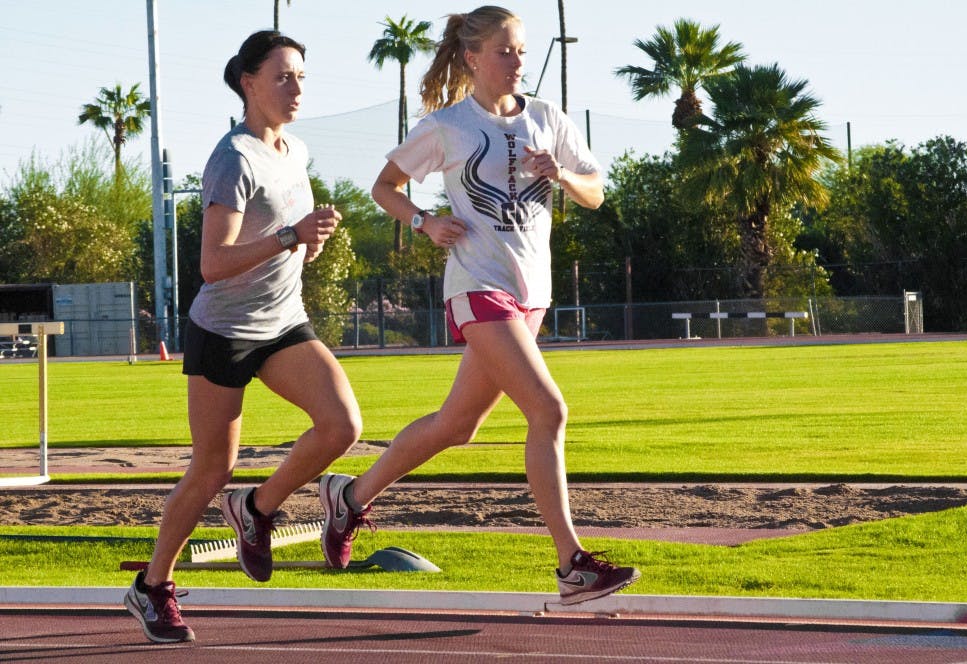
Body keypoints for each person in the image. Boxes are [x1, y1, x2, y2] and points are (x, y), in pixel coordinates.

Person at [318, 5, 639, 605]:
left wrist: (563, 177)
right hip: (476, 284)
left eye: (520, 50)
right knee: (549, 411)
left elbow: (595, 191)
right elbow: (383, 187)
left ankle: (350, 497)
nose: (517, 60)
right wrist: (423, 221)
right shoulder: (448, 126)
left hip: (531, 293)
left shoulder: (547, 118)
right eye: (505, 50)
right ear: (472, 58)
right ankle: (572, 563)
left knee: (456, 426)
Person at [125, 30, 363, 644]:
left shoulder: (293, 150)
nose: (296, 89)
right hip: (223, 331)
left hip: (282, 321)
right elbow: (213, 262)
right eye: (283, 77)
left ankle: (256, 510)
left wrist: (310, 241)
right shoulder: (232, 158)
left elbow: (285, 239)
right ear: (248, 83)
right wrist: (289, 236)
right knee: (211, 469)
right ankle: (153, 586)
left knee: (341, 426)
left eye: (302, 78)